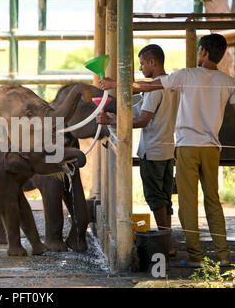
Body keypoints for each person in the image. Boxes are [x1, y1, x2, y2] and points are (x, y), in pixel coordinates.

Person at [99, 34, 235, 267]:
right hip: (212, 148)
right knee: (213, 200)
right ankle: (223, 256)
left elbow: (147, 86)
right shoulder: (228, 82)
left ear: (202, 52)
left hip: (186, 147)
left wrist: (114, 85)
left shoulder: (186, 75)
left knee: (188, 202)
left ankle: (195, 256)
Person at [97, 44, 179, 256]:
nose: (141, 67)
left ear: (153, 62)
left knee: (155, 199)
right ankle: (167, 241)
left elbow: (143, 119)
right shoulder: (171, 85)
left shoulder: (154, 88)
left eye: (142, 63)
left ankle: (165, 244)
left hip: (152, 150)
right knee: (165, 197)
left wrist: (112, 122)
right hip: (169, 149)